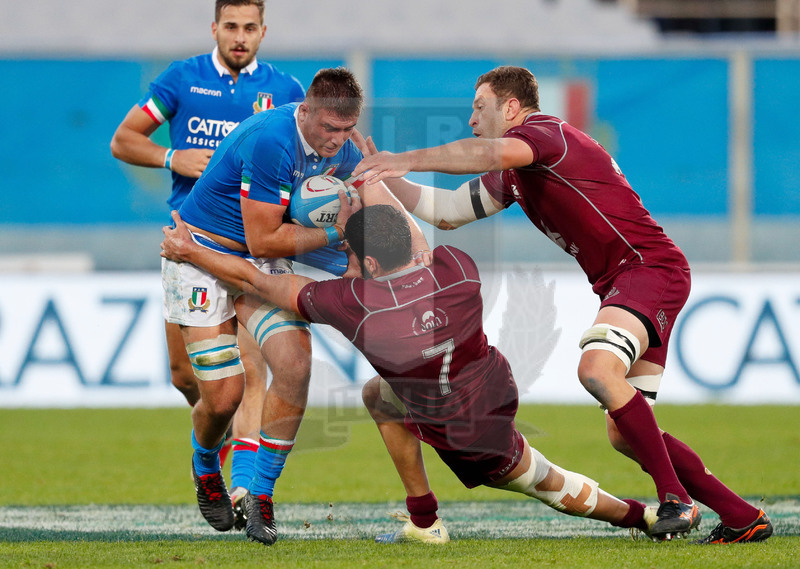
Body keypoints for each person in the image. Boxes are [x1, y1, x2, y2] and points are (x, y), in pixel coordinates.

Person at [351, 65, 773, 544]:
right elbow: (447, 213)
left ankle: (675, 499)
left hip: (647, 271)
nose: (472, 119)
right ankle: (742, 517)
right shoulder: (516, 173)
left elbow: (485, 152)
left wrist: (405, 157)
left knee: (596, 370)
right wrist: (380, 176)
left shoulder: (546, 134)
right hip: (629, 281)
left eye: (479, 107)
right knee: (623, 433)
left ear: (511, 108)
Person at [160, 176, 660, 546]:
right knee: (379, 394)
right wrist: (365, 173)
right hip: (490, 393)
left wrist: (191, 250)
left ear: (370, 265)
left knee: (547, 482)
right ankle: (423, 518)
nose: (347, 266)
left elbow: (258, 281)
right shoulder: (457, 268)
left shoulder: (353, 305)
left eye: (353, 259)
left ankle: (642, 517)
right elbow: (415, 242)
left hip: (470, 434)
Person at [109, 0, 305, 526]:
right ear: (214, 28)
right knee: (187, 378)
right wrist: (173, 158)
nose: (240, 37)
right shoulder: (183, 80)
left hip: (250, 250)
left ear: (264, 32)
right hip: (188, 247)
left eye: (249, 28)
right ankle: (212, 443)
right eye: (231, 27)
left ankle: (243, 487)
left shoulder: (286, 93)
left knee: (248, 367)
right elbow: (123, 140)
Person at [160, 67, 364, 543]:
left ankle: (261, 496)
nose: (337, 140)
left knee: (294, 362)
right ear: (306, 110)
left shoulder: (347, 150)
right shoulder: (274, 138)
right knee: (225, 398)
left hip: (256, 262)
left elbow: (364, 207)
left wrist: (361, 258)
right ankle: (205, 462)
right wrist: (339, 234)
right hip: (201, 255)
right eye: (328, 128)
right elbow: (264, 237)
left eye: (346, 129)